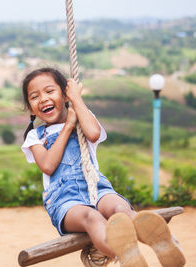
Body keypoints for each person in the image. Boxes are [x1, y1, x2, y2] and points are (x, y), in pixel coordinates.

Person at [20, 67, 185, 266]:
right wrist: (68, 126)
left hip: (96, 187)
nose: (43, 99)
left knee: (119, 209)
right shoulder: (35, 136)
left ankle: (158, 240)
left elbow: (93, 134)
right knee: (92, 218)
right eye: (34, 96)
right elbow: (48, 165)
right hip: (65, 200)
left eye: (49, 91)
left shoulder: (81, 115)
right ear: (30, 108)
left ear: (64, 95)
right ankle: (126, 254)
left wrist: (76, 100)